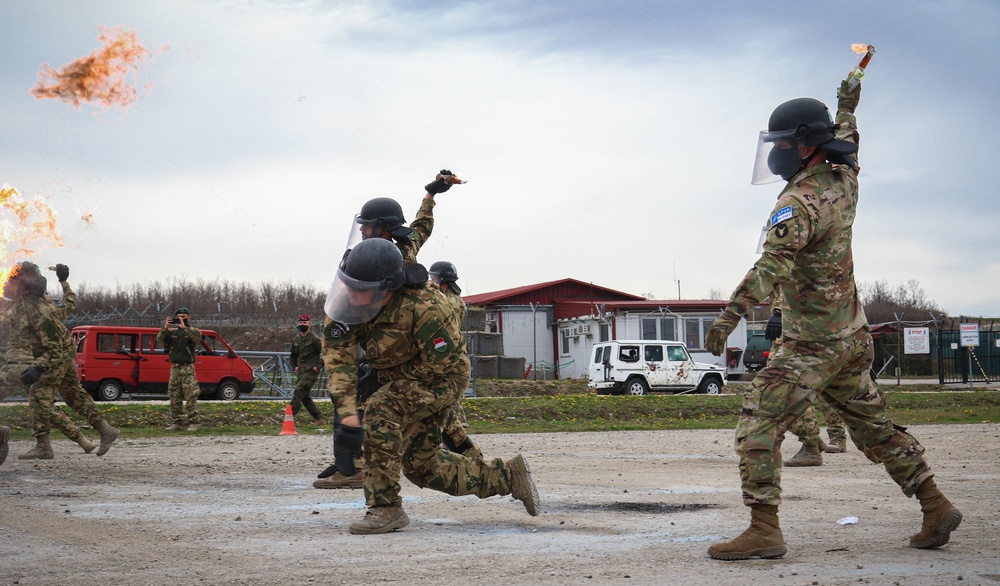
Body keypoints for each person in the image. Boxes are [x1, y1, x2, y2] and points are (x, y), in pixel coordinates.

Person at [703, 77, 960, 560]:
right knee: (874, 428)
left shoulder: (797, 203)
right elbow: (849, 136)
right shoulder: (845, 179)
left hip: (811, 346)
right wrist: (847, 102)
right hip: (852, 339)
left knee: (757, 427)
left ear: (804, 146)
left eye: (781, 143)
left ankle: (764, 529)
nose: (776, 153)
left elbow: (771, 266)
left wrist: (728, 316)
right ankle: (934, 504)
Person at [322, 238, 538, 534]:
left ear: (387, 288)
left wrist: (382, 375)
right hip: (400, 375)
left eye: (362, 289)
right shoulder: (347, 304)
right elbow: (338, 359)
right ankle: (507, 477)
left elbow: (439, 363)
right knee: (421, 466)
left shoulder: (425, 307)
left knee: (381, 407)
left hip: (443, 376)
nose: (352, 294)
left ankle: (385, 509)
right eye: (349, 285)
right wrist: (346, 414)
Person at [314, 170, 466, 489]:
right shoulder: (367, 255)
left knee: (433, 412)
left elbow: (420, 228)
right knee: (356, 397)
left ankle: (468, 461)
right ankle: (352, 464)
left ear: (383, 229)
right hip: (377, 336)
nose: (363, 232)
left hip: (407, 338)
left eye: (367, 226)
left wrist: (431, 198)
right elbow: (422, 226)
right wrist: (429, 196)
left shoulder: (402, 248)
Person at [5, 262, 119, 459]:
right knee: (74, 395)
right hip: (64, 354)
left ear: (24, 285)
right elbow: (68, 305)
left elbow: (55, 347)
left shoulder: (41, 311)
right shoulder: (32, 301)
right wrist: (64, 283)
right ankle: (105, 430)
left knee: (38, 399)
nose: (8, 283)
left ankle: (44, 446)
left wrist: (39, 367)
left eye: (13, 280)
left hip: (55, 356)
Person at [761, 295, 849, 468]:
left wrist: (779, 311)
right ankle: (814, 440)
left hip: (794, 336)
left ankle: (812, 444)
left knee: (787, 392)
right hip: (797, 335)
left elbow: (792, 279)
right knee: (788, 391)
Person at [428, 261, 481, 460]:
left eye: (433, 278)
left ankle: (463, 447)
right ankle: (454, 443)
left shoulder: (452, 300)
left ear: (443, 280)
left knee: (447, 405)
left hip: (449, 359)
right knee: (448, 404)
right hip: (445, 356)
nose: (431, 281)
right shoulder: (447, 298)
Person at [157, 307, 202, 431]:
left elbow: (197, 338)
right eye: (179, 317)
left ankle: (193, 422)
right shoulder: (172, 332)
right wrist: (165, 327)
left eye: (184, 317)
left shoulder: (192, 330)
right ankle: (177, 422)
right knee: (174, 394)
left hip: (187, 367)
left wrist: (184, 328)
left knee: (190, 394)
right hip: (175, 367)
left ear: (188, 317)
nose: (181, 319)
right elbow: (159, 339)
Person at [289, 313, 325, 425]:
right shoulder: (296, 339)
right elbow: (293, 354)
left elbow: (325, 353)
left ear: (309, 324)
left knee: (299, 390)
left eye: (304, 323)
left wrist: (318, 366)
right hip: (301, 370)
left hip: (311, 370)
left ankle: (289, 415)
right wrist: (294, 365)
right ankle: (319, 418)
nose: (302, 325)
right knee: (304, 396)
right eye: (300, 323)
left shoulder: (314, 339)